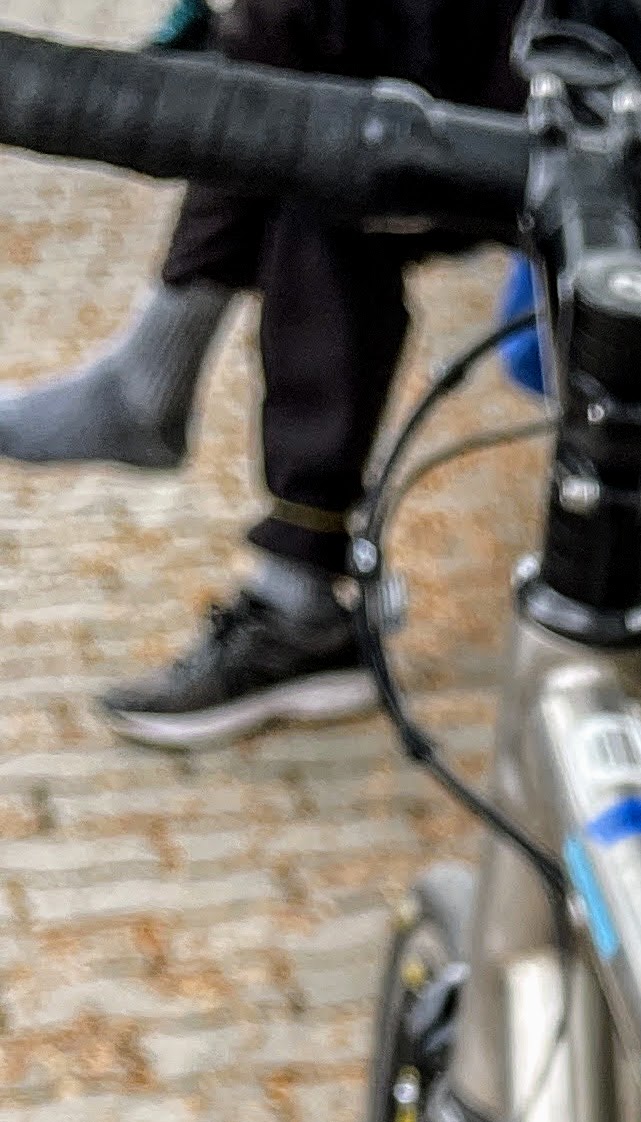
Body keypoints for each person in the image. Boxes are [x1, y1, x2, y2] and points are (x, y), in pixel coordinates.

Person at [0, 0, 641, 750]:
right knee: (324, 153)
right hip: (604, 39)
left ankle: (170, 395)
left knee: (319, 75)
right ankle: (288, 575)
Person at [0, 0, 529, 747]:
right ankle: (295, 589)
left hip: (573, 91)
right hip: (488, 70)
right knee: (314, 124)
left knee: (318, 120)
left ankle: (292, 591)